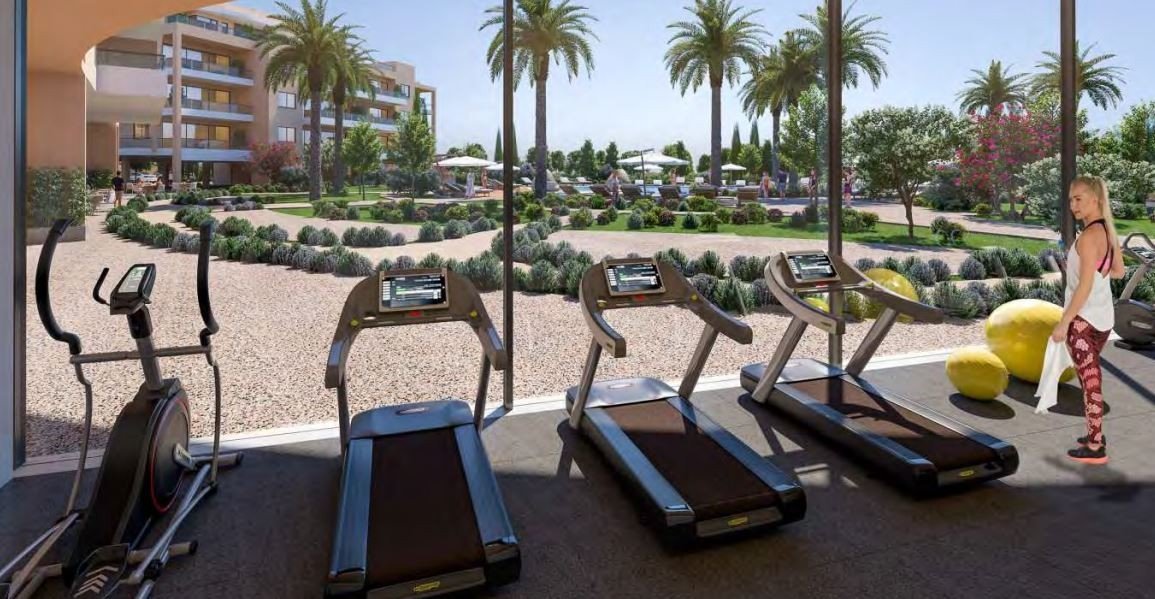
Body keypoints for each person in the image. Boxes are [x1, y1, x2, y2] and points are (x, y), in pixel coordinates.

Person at [1049, 176, 1125, 465]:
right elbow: (1118, 271)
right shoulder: (1106, 230)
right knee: (1088, 380)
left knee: (1091, 383)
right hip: (1103, 320)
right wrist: (1091, 267)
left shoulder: (1089, 236)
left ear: (1095, 200)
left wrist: (1064, 323)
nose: (1073, 204)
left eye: (1079, 198)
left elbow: (1084, 287)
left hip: (1082, 322)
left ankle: (1095, 447)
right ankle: (1095, 435)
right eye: (1071, 199)